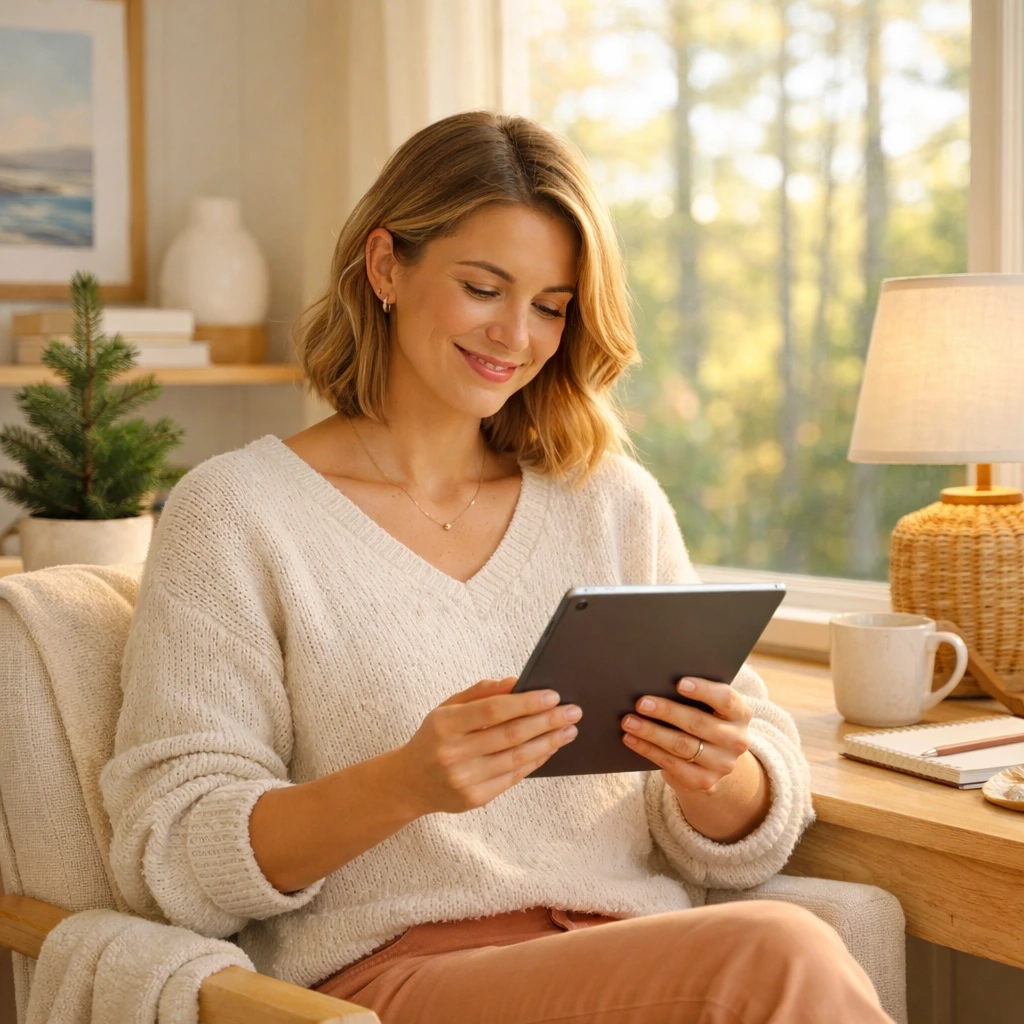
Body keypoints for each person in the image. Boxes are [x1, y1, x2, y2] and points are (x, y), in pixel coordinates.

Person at [100, 111, 893, 1023]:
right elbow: (172, 853)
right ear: (385, 266)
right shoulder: (237, 512)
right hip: (395, 982)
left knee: (777, 948)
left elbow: (749, 832)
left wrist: (714, 771)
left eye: (551, 306)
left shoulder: (610, 501)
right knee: (781, 954)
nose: (516, 335)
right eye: (484, 288)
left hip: (632, 959)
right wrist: (403, 784)